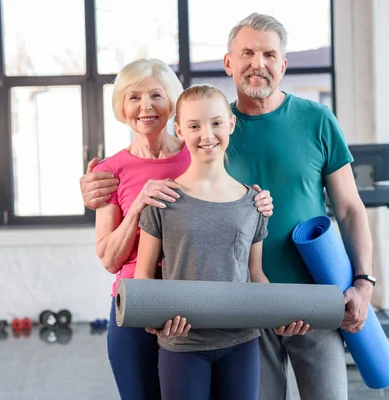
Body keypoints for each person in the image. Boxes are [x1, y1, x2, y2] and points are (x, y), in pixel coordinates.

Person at [80, 13, 374, 400]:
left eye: (269, 54)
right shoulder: (206, 132)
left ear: (283, 64)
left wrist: (364, 282)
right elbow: (148, 180)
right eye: (247, 52)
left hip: (305, 297)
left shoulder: (308, 121)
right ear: (228, 63)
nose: (258, 63)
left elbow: (351, 208)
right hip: (231, 308)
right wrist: (94, 186)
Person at [87, 59, 274, 400]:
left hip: (201, 307)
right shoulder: (108, 170)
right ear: (121, 107)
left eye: (156, 95)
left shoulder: (197, 150)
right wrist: (139, 206)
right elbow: (109, 259)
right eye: (133, 97)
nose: (145, 106)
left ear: (171, 102)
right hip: (140, 302)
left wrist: (261, 202)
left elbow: (236, 199)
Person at [134, 83, 310, 400]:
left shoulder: (254, 202)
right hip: (182, 343)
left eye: (216, 123)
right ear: (179, 130)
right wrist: (154, 322)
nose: (207, 135)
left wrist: (280, 315)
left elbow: (255, 275)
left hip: (241, 343)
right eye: (194, 125)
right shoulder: (162, 199)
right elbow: (143, 276)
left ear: (230, 124)